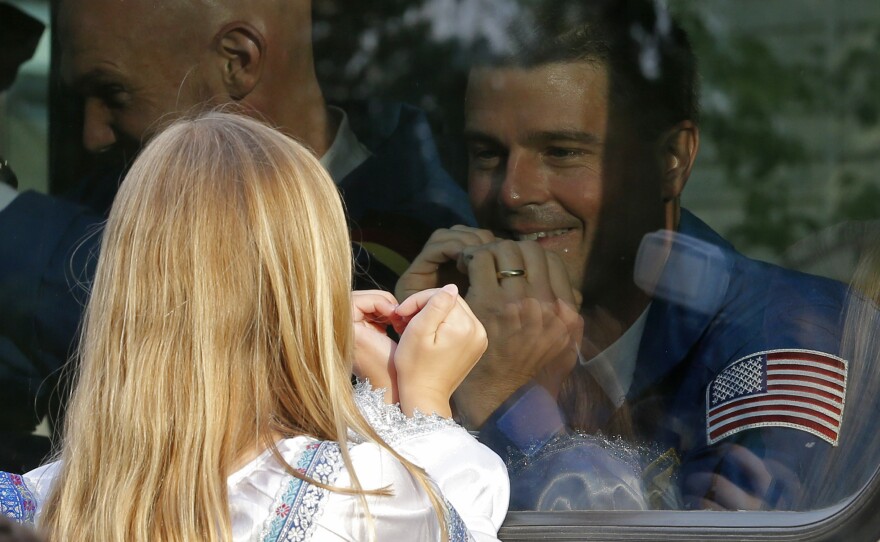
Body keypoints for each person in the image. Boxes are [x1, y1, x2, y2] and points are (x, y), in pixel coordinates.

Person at [396, 0, 850, 511]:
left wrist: (509, 404)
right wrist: (405, 366)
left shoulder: (788, 340)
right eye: (487, 154)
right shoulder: (481, 328)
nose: (513, 192)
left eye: (562, 152)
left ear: (671, 160)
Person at [0, 0, 475, 467]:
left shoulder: (419, 240)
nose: (93, 135)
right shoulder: (101, 201)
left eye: (114, 93)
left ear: (237, 62)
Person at [0, 112, 508, 541]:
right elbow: (447, 521)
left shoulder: (35, 504)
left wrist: (381, 392)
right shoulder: (351, 500)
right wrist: (426, 409)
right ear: (308, 291)